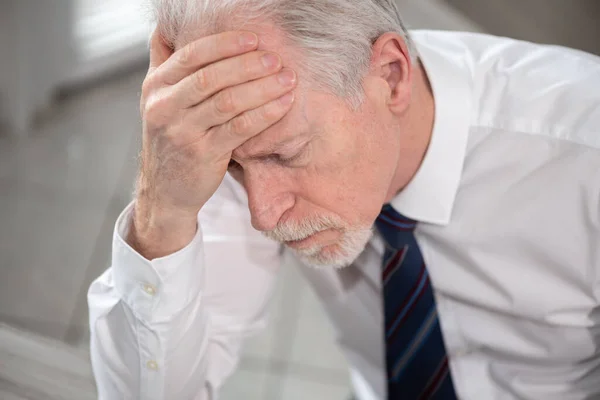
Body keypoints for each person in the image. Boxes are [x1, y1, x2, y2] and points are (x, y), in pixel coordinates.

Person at [87, 0, 600, 399]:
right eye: (237, 169)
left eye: (287, 155)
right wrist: (163, 212)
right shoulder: (245, 131)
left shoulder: (583, 158)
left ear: (391, 77)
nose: (264, 215)